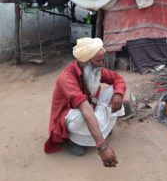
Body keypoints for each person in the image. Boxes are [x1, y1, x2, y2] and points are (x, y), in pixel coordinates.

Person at [44, 37, 126, 167]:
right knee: (81, 117)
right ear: (85, 61)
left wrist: (118, 94)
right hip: (70, 118)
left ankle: (101, 130)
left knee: (113, 91)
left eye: (102, 60)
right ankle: (73, 140)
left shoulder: (95, 69)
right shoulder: (66, 78)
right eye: (98, 61)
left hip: (89, 109)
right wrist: (103, 147)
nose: (101, 64)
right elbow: (85, 109)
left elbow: (118, 79)